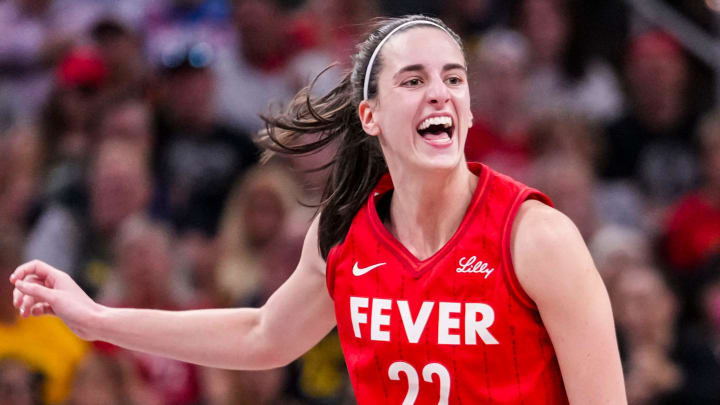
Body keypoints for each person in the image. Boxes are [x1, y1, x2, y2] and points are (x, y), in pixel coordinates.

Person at [10, 15, 626, 404]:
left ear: (467, 108)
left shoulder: (537, 237)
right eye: (413, 80)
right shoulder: (343, 234)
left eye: (454, 78)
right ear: (371, 115)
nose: (440, 90)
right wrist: (97, 318)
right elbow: (261, 335)